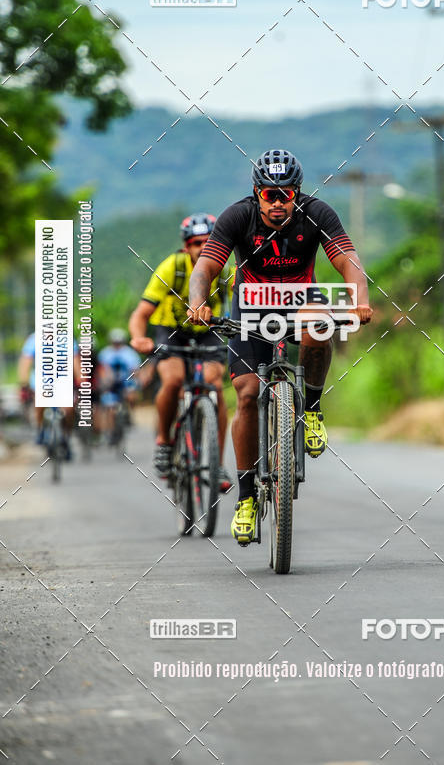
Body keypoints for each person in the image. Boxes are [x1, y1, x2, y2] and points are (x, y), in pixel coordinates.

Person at [187, 150, 373, 545]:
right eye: (269, 194)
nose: (276, 202)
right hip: (251, 305)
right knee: (248, 392)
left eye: (284, 195)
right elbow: (205, 267)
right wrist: (198, 301)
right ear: (257, 193)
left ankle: (313, 409)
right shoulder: (237, 216)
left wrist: (360, 297)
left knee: (319, 325)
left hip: (300, 297)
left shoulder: (317, 213)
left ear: (297, 194)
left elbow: (347, 259)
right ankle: (247, 497)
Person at [129, 213, 233, 489]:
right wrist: (139, 338)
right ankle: (164, 440)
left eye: (209, 242)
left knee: (215, 387)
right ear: (186, 246)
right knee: (173, 380)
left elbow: (244, 299)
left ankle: (217, 464)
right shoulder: (171, 268)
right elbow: (141, 313)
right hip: (171, 332)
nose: (203, 247)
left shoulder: (224, 271)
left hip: (208, 333)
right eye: (196, 242)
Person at [18, 332, 81, 458]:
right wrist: (24, 383)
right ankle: (40, 429)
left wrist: (80, 380)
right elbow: (26, 362)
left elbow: (75, 362)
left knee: (69, 410)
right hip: (41, 379)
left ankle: (66, 437)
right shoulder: (33, 339)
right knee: (39, 403)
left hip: (62, 379)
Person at [97, 328, 141, 441]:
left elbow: (135, 369)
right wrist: (104, 382)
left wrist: (134, 381)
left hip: (126, 382)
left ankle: (130, 414)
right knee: (110, 405)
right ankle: (111, 430)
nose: (117, 344)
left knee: (131, 395)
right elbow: (101, 370)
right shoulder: (105, 353)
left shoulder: (129, 353)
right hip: (111, 383)